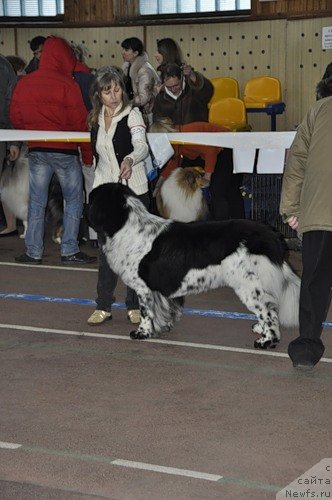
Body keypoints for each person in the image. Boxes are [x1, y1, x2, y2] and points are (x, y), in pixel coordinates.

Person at [10, 36, 96, 265]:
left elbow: (15, 117)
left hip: (37, 150)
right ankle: (69, 250)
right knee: (73, 201)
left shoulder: (25, 83)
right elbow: (81, 123)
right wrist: (87, 157)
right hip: (66, 152)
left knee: (37, 202)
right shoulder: (69, 84)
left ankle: (33, 252)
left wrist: (31, 134)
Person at [87, 66, 150, 326]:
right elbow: (98, 154)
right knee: (106, 252)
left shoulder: (133, 115)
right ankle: (103, 305)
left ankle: (134, 305)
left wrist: (130, 159)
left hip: (133, 191)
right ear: (99, 95)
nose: (113, 96)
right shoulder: (95, 118)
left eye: (117, 89)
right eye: (107, 91)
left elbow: (142, 146)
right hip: (104, 191)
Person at [279, 76, 332, 369]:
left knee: (314, 282)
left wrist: (290, 209)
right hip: (321, 209)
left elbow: (296, 162)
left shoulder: (317, 111)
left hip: (320, 212)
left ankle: (307, 348)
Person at [0, 54, 20, 237]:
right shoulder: (5, 66)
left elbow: (10, 105)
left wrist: (13, 140)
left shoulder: (4, 67)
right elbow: (10, 105)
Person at [121, 37, 160, 127]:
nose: (123, 52)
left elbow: (144, 98)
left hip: (148, 114)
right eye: (123, 49)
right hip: (137, 111)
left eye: (126, 50)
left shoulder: (144, 70)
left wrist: (126, 104)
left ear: (135, 53)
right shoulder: (128, 66)